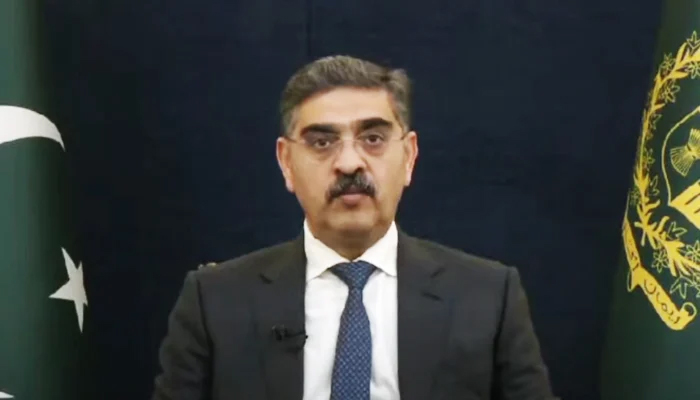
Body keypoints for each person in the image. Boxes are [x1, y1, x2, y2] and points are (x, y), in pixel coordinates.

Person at [151, 55, 558, 400]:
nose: (349, 163)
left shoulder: (488, 297)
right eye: (322, 142)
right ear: (286, 163)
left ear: (409, 157)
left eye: (373, 138)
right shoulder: (214, 302)